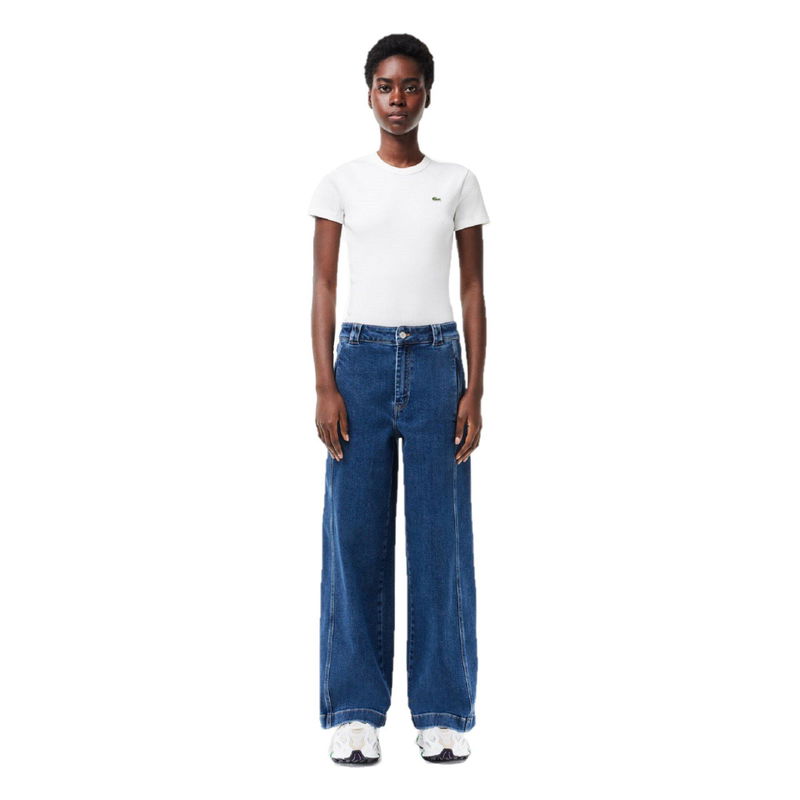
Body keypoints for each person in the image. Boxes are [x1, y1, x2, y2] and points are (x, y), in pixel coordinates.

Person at [309, 33, 489, 765]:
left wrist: (476, 386)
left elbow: (472, 288)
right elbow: (324, 285)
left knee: (441, 540)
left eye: (410, 85)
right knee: (355, 538)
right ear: (369, 93)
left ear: (427, 94)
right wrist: (325, 382)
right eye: (386, 86)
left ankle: (442, 710)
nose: (397, 98)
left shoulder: (459, 181)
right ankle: (355, 711)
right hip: (360, 363)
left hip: (439, 363)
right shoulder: (340, 184)